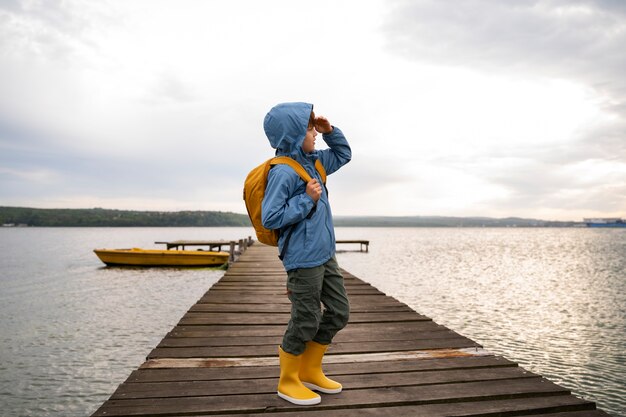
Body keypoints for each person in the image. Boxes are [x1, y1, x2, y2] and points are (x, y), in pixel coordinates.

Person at [261, 102, 351, 405]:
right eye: (310, 129)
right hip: (301, 258)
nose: (314, 133)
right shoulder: (283, 172)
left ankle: (311, 370)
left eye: (314, 128)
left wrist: (330, 132)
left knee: (339, 312)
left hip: (325, 253)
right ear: (294, 133)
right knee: (307, 317)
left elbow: (343, 155)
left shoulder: (316, 162)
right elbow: (270, 218)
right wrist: (307, 200)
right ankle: (288, 381)